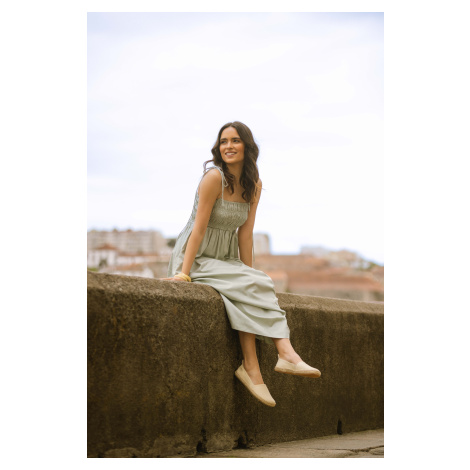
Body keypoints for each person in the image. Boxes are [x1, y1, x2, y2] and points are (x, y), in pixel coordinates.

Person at [162, 121, 320, 407]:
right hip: (196, 256)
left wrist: (247, 273)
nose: (228, 146)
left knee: (249, 286)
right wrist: (183, 274)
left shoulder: (253, 185)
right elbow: (198, 229)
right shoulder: (214, 178)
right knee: (254, 282)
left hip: (226, 257)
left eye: (235, 140)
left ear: (247, 146)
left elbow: (245, 235)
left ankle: (252, 369)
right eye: (223, 141)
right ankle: (285, 354)